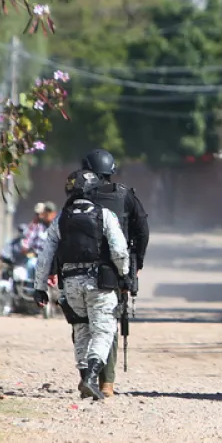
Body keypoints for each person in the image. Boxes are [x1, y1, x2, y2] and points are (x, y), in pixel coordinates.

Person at [33, 169, 129, 401]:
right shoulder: (105, 215)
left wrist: (39, 287)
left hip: (70, 284)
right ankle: (91, 377)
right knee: (103, 331)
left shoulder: (60, 219)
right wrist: (124, 275)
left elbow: (45, 256)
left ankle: (86, 377)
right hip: (99, 284)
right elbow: (119, 250)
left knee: (81, 330)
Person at [79, 148, 150, 398]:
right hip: (116, 270)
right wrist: (136, 264)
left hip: (80, 270)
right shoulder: (125, 195)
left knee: (83, 325)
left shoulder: (80, 195)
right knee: (108, 323)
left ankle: (86, 376)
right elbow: (142, 231)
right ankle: (106, 383)